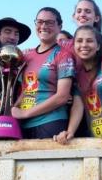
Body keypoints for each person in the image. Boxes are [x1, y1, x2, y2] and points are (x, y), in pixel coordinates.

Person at [11, 7, 75, 139]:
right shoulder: (26, 56)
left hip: (50, 122)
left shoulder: (63, 55)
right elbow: (26, 89)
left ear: (59, 26)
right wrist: (14, 108)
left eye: (49, 22)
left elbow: (62, 97)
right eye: (39, 22)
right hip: (24, 124)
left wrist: (26, 113)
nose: (44, 26)